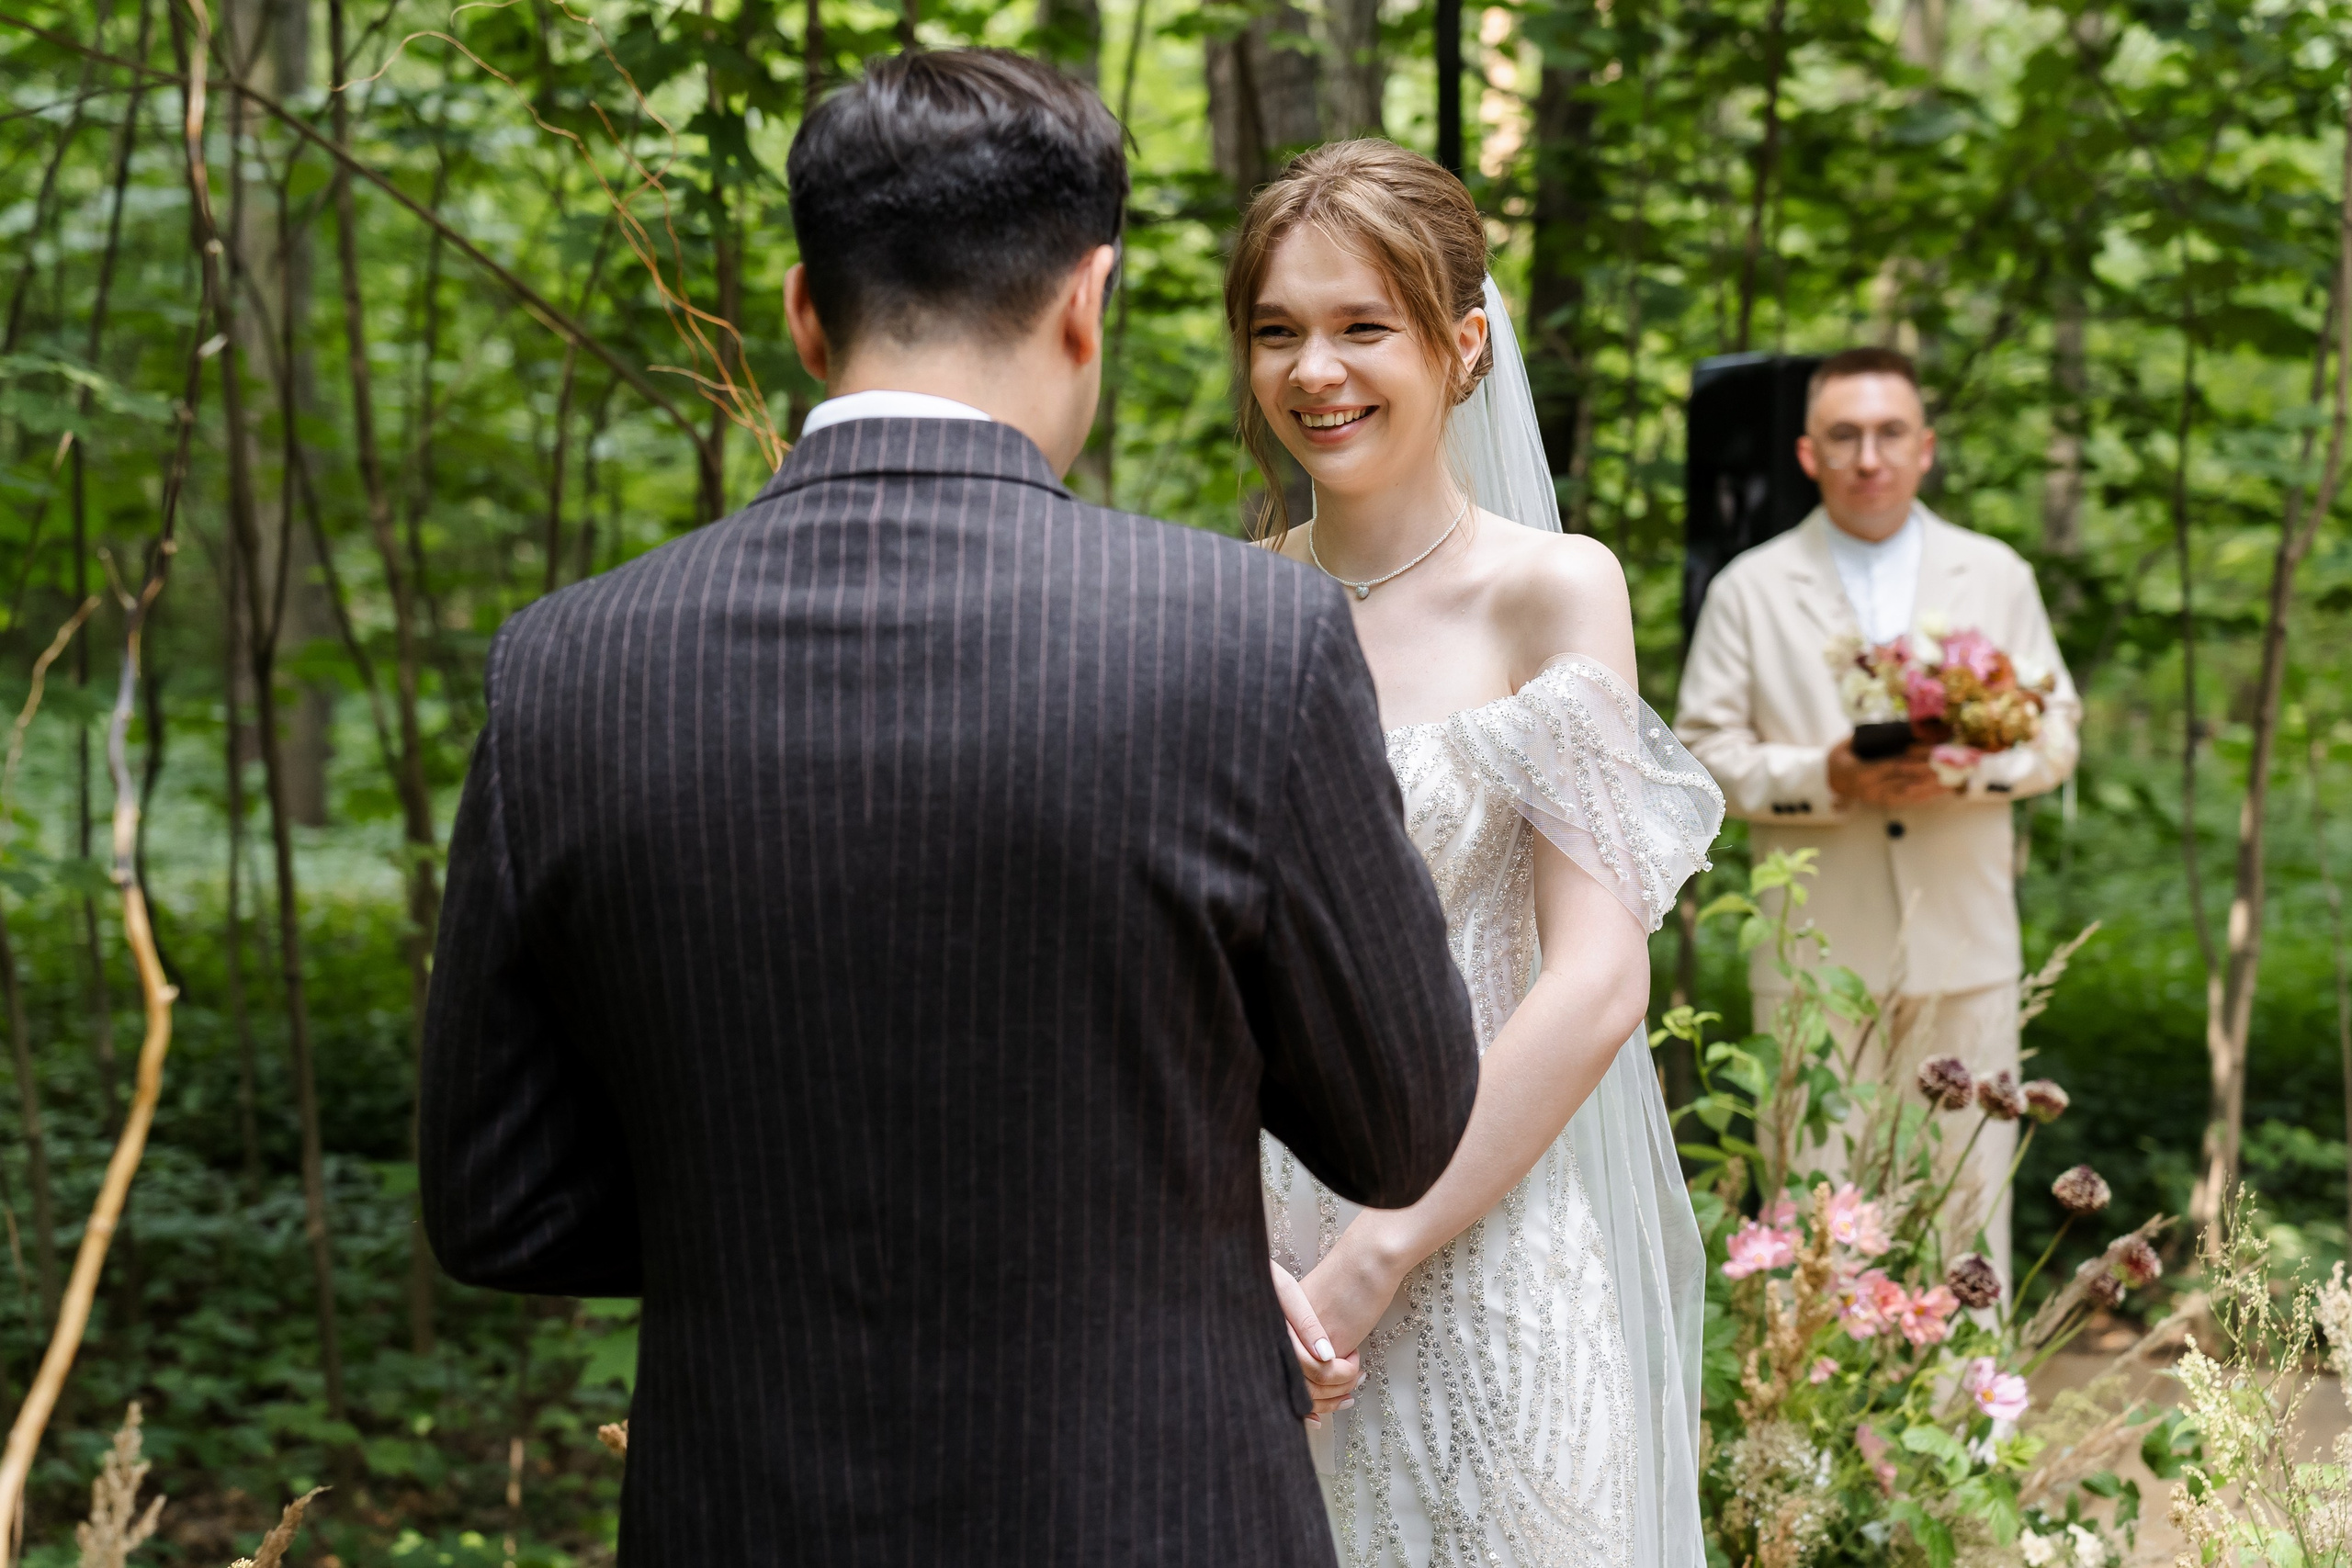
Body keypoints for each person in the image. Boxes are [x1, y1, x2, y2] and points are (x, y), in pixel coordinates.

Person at [418, 52, 1482, 1566]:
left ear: (803, 311)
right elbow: (1400, 1122)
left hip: (748, 1515)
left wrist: (765, 1220)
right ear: (1087, 299)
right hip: (1150, 1511)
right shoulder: (1244, 639)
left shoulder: (568, 667)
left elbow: (497, 1206)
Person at [1235, 140, 1724, 1568]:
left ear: (1465, 345)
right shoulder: (1233, 609)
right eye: (1278, 331)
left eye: (1361, 325)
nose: (1315, 369)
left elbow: (1596, 981)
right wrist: (1243, 1266)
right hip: (1268, 1284)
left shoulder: (1551, 591)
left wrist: (1380, 1249)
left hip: (1482, 1241)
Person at [1673, 347, 2081, 1270]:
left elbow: (2057, 736)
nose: (1869, 456)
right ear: (1808, 454)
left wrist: (1971, 771)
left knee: (1964, 1206)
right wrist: (1827, 776)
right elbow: (1699, 756)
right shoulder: (1749, 589)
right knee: (1819, 1204)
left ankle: (1971, 1417)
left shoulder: (1997, 574)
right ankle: (1814, 1413)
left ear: (1925, 448)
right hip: (1816, 950)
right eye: (1844, 436)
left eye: (1889, 433)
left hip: (1965, 946)